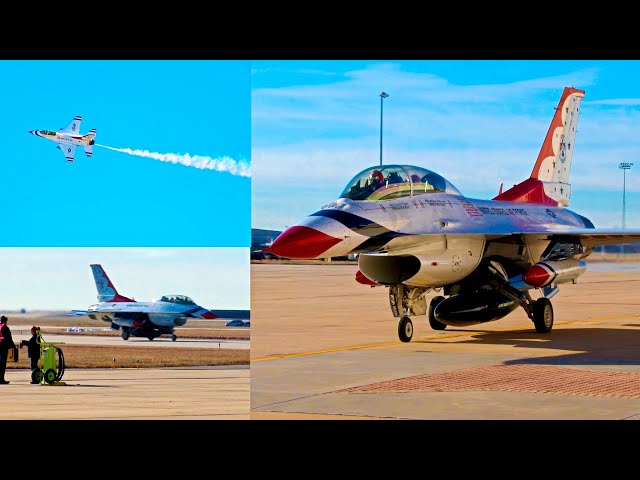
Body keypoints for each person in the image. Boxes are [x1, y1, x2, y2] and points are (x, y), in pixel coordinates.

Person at [0, 316, 16, 384]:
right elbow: (9, 338)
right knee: (2, 364)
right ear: (5, 321)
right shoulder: (5, 327)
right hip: (3, 347)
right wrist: (13, 347)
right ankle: (1, 379)